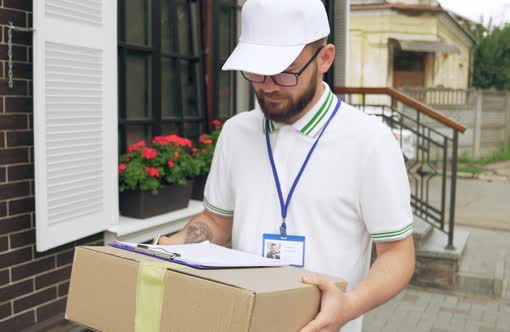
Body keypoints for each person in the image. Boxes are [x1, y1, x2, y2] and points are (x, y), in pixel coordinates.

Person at [158, 0, 415, 331]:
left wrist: (347, 306)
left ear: (324, 59)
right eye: (256, 70)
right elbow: (217, 220)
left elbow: (397, 254)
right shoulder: (236, 132)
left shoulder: (371, 142)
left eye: (283, 70)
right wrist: (176, 244)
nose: (267, 85)